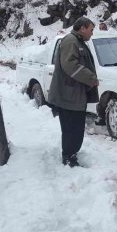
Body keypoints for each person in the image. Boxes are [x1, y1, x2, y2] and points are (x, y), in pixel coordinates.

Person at [47, 17, 99, 167]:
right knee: (72, 129)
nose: (92, 33)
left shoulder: (78, 41)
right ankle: (69, 158)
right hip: (68, 96)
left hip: (73, 95)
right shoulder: (71, 41)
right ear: (82, 28)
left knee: (74, 128)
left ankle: (71, 155)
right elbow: (70, 65)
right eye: (91, 29)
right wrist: (91, 78)